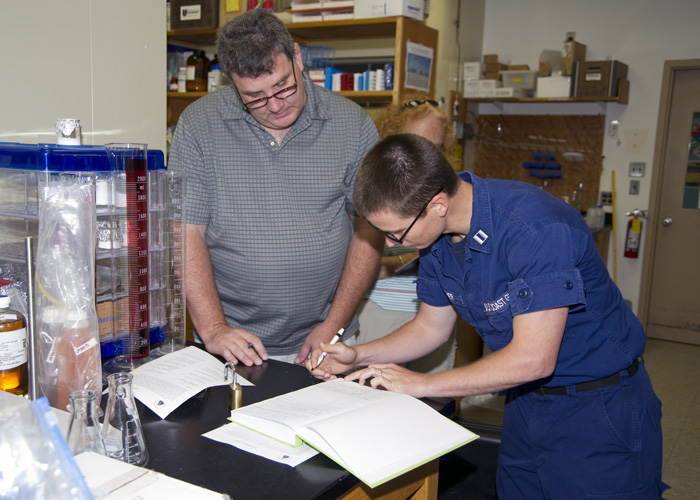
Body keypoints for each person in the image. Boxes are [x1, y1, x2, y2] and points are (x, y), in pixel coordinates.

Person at [308, 134, 667, 499]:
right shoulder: (436, 236)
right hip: (526, 402)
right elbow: (431, 327)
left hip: (598, 407)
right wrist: (360, 355)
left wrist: (420, 384)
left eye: (395, 232)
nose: (389, 244)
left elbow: (533, 358)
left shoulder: (535, 228)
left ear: (438, 204)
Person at [168, 10, 383, 367]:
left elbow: (368, 229)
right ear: (231, 83)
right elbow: (185, 231)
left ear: (297, 58)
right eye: (254, 97)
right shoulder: (198, 125)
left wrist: (334, 323)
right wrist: (214, 327)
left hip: (326, 339)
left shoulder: (352, 124)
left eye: (283, 86)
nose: (275, 105)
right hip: (232, 344)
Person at [355, 98, 457, 374]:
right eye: (419, 142)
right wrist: (414, 250)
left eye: (436, 148)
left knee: (432, 402)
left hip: (434, 315)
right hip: (381, 311)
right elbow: (367, 267)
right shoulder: (374, 190)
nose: (427, 157)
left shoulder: (445, 190)